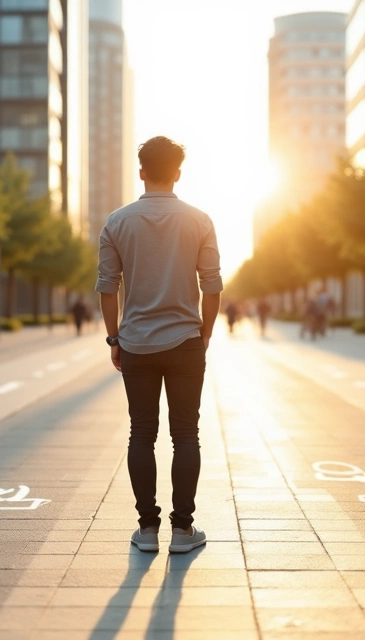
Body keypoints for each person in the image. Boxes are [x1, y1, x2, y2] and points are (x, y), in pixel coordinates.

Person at [96, 136, 221, 555]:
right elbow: (213, 285)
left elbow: (107, 287)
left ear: (142, 172)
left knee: (141, 433)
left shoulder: (117, 222)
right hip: (186, 339)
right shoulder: (200, 220)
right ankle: (183, 531)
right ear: (178, 173)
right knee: (186, 434)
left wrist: (114, 337)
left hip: (136, 343)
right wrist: (203, 334)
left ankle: (147, 529)